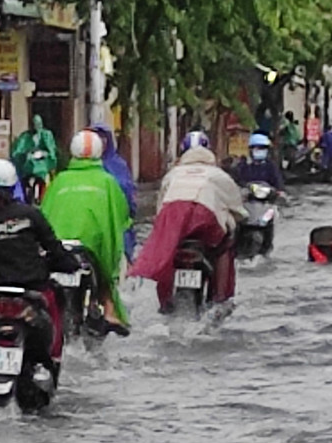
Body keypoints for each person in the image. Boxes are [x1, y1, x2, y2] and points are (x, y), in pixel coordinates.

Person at [0, 159, 81, 380]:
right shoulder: (31, 214)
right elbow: (53, 248)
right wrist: (70, 264)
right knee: (54, 320)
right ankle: (52, 364)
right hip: (33, 288)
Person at [130, 131, 245, 313]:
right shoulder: (218, 175)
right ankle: (221, 299)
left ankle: (166, 302)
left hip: (175, 225)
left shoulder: (172, 175)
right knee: (225, 244)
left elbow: (161, 208)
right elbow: (237, 208)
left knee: (168, 250)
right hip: (206, 226)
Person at [39, 130, 133, 335]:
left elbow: (43, 213)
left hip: (59, 247)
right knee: (107, 268)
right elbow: (120, 216)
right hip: (90, 249)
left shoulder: (60, 181)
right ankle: (108, 309)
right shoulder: (107, 182)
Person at [91, 124, 138, 261]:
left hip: (115, 218)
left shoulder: (118, 165)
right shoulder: (78, 169)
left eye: (102, 138)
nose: (100, 142)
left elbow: (128, 192)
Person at [10, 114, 59, 195]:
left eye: (38, 124)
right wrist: (26, 154)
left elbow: (51, 151)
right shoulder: (25, 136)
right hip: (28, 166)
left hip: (43, 165)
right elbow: (17, 152)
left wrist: (44, 154)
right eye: (34, 124)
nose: (36, 126)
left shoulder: (46, 135)